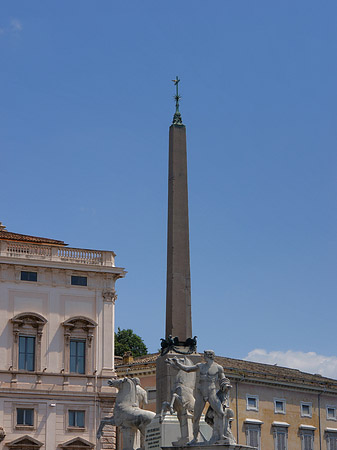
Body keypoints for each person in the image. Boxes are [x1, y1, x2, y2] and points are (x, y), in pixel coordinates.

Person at [166, 350, 232, 445]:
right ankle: (195, 438)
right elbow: (187, 369)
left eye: (205, 355)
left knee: (221, 413)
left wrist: (226, 386)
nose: (204, 357)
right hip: (201, 392)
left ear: (209, 356)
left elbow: (223, 379)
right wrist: (178, 364)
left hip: (211, 392)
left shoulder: (218, 368)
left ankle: (221, 436)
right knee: (196, 417)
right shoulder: (200, 366)